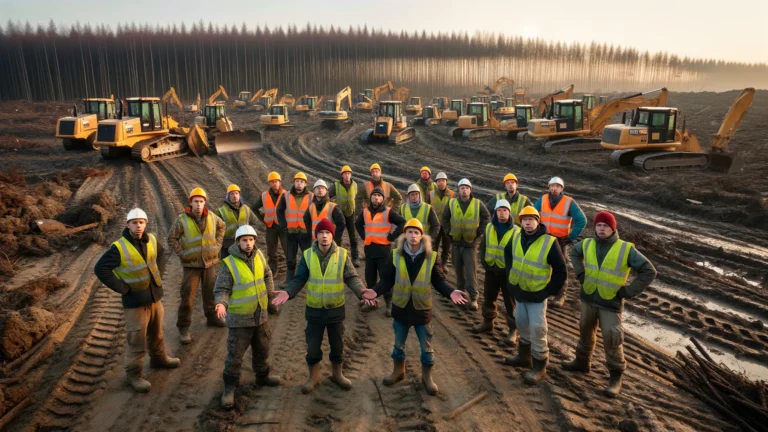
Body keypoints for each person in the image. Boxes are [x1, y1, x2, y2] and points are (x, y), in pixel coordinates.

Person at [364, 219, 467, 395]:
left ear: (422, 236)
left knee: (427, 348)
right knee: (398, 345)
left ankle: (427, 378)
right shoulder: (395, 254)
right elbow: (387, 279)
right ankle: (398, 371)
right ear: (405, 235)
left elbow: (439, 281)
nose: (413, 236)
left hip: (421, 310)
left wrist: (451, 292)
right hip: (401, 308)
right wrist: (375, 291)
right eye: (409, 232)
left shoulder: (431, 256)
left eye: (416, 232)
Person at [272, 219, 376, 394]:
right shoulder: (307, 255)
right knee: (312, 346)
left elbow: (351, 277)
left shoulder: (342, 254)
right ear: (316, 236)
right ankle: (313, 377)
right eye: (321, 233)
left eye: (327, 233)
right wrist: (288, 292)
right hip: (314, 310)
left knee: (337, 345)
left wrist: (361, 291)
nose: (324, 236)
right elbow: (299, 279)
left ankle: (337, 374)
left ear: (332, 235)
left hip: (335, 309)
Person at [562, 211, 656, 397]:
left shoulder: (625, 248)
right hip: (588, 297)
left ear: (613, 228)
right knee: (585, 330)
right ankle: (582, 362)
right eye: (599, 225)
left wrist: (628, 291)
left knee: (612, 338)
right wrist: (580, 273)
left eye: (605, 225)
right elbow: (574, 252)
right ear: (594, 227)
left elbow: (648, 270)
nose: (602, 228)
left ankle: (615, 377)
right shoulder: (588, 243)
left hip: (610, 303)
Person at [95, 208, 180, 393]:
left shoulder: (152, 240)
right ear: (128, 225)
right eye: (134, 222)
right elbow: (100, 269)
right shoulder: (119, 247)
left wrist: (158, 276)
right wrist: (123, 288)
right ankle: (133, 375)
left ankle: (158, 359)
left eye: (141, 222)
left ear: (145, 223)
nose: (138, 225)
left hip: (154, 297)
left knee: (156, 333)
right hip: (135, 302)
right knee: (136, 340)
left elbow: (162, 254)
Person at [214, 225, 281, 408]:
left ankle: (262, 376)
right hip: (240, 320)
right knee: (235, 355)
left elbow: (267, 274)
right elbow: (222, 289)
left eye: (251, 239)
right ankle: (229, 388)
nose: (248, 243)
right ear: (237, 242)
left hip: (260, 316)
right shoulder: (229, 264)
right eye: (244, 240)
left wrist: (270, 296)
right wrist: (221, 303)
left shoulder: (259, 255)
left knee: (262, 348)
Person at [503, 206, 567, 385]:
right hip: (520, 291)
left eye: (532, 219)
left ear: (538, 221)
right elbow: (507, 254)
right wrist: (510, 276)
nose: (528, 223)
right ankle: (524, 357)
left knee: (538, 329)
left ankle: (540, 367)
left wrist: (548, 291)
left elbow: (561, 270)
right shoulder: (516, 237)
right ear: (521, 222)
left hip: (537, 295)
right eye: (524, 220)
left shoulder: (549, 242)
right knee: (521, 323)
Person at [168, 187, 226, 344]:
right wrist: (182, 253)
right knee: (187, 298)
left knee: (210, 294)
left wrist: (217, 245)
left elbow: (222, 227)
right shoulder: (182, 220)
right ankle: (184, 328)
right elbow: (172, 238)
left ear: (205, 203)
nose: (199, 205)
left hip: (210, 263)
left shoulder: (213, 217)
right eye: (196, 202)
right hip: (191, 266)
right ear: (191, 203)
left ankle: (212, 318)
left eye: (201, 201)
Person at [533, 176, 586, 307]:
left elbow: (582, 220)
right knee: (542, 265)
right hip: (544, 238)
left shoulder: (569, 202)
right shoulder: (543, 199)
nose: (554, 188)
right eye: (552, 186)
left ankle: (560, 295)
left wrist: (571, 236)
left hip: (560, 241)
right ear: (549, 187)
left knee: (560, 268)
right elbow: (533, 213)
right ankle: (546, 290)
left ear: (561, 188)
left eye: (557, 186)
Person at [474, 200, 520, 345]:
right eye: (499, 210)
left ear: (509, 212)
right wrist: (484, 262)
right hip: (491, 270)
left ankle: (513, 330)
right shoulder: (489, 227)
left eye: (505, 210)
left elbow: (518, 253)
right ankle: (488, 322)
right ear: (495, 212)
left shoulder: (516, 231)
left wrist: (512, 269)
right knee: (489, 297)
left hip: (507, 273)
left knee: (510, 303)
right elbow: (483, 246)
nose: (502, 213)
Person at [355, 187, 406, 315]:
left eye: (379, 195)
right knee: (370, 278)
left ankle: (389, 303)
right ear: (371, 198)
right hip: (370, 251)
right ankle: (372, 302)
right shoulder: (365, 212)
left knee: (385, 278)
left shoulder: (388, 212)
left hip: (383, 251)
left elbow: (402, 222)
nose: (376, 197)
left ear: (383, 199)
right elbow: (357, 224)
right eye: (374, 195)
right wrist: (363, 235)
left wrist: (391, 237)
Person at [440, 178, 490, 310]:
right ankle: (460, 294)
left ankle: (473, 298)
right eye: (462, 187)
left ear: (470, 190)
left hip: (470, 244)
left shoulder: (477, 204)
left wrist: (479, 232)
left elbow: (486, 217)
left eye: (467, 188)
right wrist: (448, 232)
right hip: (456, 243)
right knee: (458, 271)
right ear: (458, 189)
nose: (464, 190)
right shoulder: (452, 203)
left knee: (470, 271)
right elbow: (444, 218)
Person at [276, 172, 314, 285]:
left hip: (305, 233)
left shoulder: (311, 196)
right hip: (291, 232)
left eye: (301, 182)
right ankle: (289, 280)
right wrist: (283, 225)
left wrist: (311, 228)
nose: (299, 184)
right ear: (294, 182)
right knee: (290, 258)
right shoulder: (286, 195)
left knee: (308, 256)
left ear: (305, 184)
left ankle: (310, 278)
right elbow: (279, 210)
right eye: (297, 181)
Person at [252, 172, 288, 280]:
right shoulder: (264, 195)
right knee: (271, 251)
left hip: (283, 227)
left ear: (279, 182)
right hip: (271, 227)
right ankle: (273, 271)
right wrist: (263, 218)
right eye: (272, 182)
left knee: (288, 249)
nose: (274, 184)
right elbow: (254, 207)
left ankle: (292, 271)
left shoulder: (287, 195)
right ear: (269, 183)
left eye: (276, 181)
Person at [216, 184, 259, 259]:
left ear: (239, 195)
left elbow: (255, 222)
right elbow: (215, 229)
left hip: (243, 245)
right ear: (228, 196)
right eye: (232, 194)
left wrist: (249, 235)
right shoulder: (221, 211)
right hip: (227, 246)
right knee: (228, 267)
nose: (234, 196)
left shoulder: (246, 209)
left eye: (236, 193)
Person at [329, 165, 360, 267]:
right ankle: (336, 256)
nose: (347, 176)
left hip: (350, 213)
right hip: (339, 214)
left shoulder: (355, 185)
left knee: (353, 237)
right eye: (345, 174)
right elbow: (327, 195)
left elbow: (357, 198)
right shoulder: (336, 185)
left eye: (348, 174)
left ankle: (355, 258)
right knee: (338, 236)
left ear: (351, 175)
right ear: (342, 175)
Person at [303, 179, 345, 246]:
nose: (320, 190)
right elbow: (306, 220)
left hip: (328, 242)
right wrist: (310, 233)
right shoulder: (311, 207)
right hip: (315, 242)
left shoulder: (333, 207)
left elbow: (341, 224)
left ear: (326, 191)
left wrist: (336, 239)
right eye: (318, 188)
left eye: (322, 188)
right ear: (314, 191)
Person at [429, 172, 454, 268]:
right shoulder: (431, 194)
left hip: (447, 225)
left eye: (443, 180)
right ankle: (434, 263)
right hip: (435, 224)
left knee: (446, 246)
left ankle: (443, 264)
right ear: (436, 182)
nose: (441, 183)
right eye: (439, 181)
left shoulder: (452, 194)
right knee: (434, 244)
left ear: (446, 182)